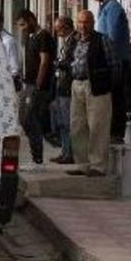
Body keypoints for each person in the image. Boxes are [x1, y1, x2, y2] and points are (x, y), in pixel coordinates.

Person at [68, 9, 116, 177]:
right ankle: (82, 164)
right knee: (77, 126)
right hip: (77, 84)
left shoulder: (102, 40)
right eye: (80, 22)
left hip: (96, 86)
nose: (83, 26)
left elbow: (114, 65)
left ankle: (98, 166)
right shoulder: (74, 41)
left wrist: (108, 84)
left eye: (86, 22)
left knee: (97, 126)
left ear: (93, 23)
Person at [17, 10, 56, 166]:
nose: (22, 28)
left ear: (32, 20)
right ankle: (36, 155)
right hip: (27, 83)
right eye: (20, 26)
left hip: (36, 85)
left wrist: (39, 85)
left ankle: (37, 158)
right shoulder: (30, 37)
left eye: (23, 24)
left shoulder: (43, 36)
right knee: (24, 119)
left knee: (31, 119)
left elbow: (44, 61)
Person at [93, 0, 130, 140]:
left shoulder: (113, 8)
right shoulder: (104, 8)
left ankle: (116, 133)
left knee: (116, 98)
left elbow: (112, 38)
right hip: (107, 61)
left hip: (115, 61)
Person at [50, 16, 76, 164]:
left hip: (67, 85)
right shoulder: (66, 41)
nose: (57, 31)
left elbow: (71, 62)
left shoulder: (74, 40)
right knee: (61, 121)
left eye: (58, 28)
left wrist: (58, 63)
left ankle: (69, 153)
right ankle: (65, 151)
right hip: (61, 85)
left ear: (65, 27)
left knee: (67, 122)